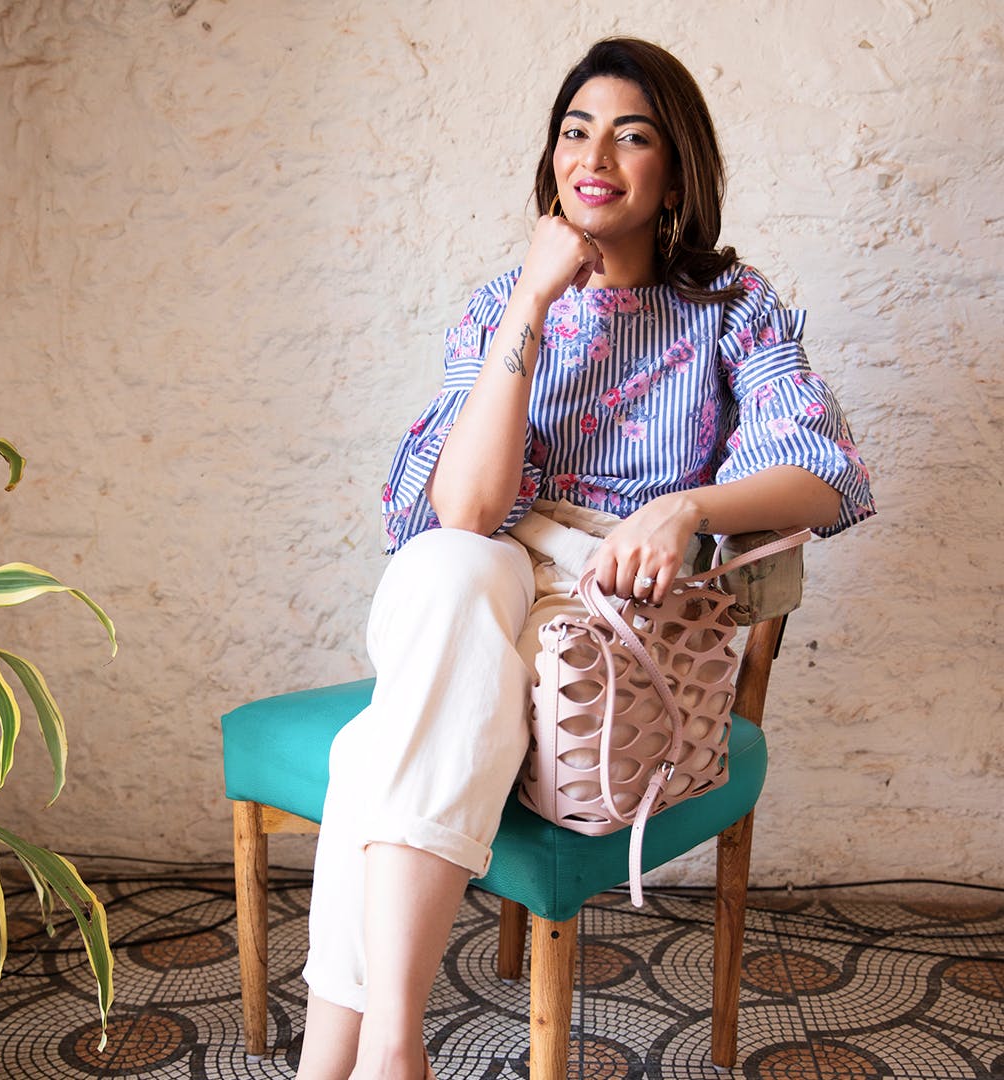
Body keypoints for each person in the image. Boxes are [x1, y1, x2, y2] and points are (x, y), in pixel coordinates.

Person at [296, 37, 874, 1080]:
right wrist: (532, 299)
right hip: (489, 582)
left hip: (609, 611)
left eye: (631, 133)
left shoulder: (729, 308)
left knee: (371, 752)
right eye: (575, 129)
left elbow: (821, 473)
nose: (594, 152)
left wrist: (682, 504)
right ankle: (393, 1047)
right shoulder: (500, 304)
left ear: (673, 170)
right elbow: (466, 508)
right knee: (446, 568)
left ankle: (342, 1060)